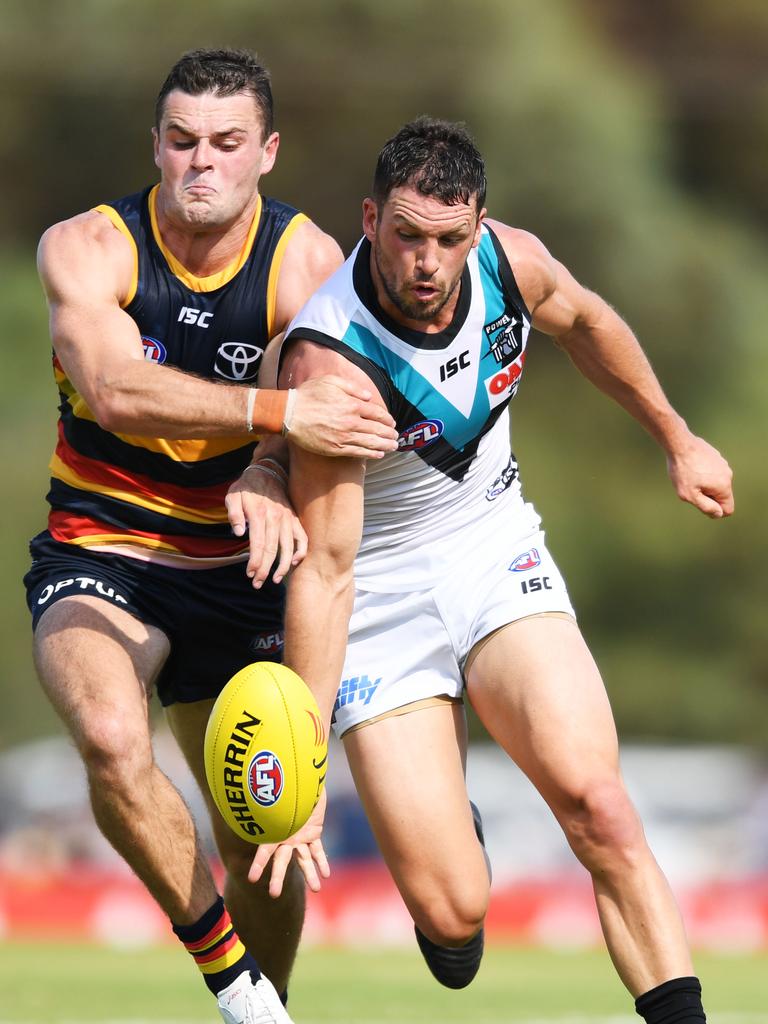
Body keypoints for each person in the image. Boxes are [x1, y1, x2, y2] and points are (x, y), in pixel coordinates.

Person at [254, 117, 734, 1024]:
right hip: (378, 596)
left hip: (491, 546)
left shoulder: (510, 263)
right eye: (406, 235)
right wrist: (305, 766)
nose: (428, 261)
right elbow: (326, 570)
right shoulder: (333, 360)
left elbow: (588, 321)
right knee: (452, 920)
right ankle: (449, 834)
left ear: (478, 227)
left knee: (598, 804)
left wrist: (677, 438)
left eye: (449, 238)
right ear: (368, 220)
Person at [24, 49, 398, 1024]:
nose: (202, 163)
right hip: (103, 548)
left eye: (227, 144)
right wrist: (277, 422)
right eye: (182, 141)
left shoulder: (308, 265)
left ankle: (268, 997)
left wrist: (273, 469)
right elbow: (115, 389)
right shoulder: (87, 247)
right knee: (110, 735)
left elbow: (333, 474)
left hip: (245, 572)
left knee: (262, 841)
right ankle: (243, 997)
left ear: (267, 153)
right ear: (154, 144)